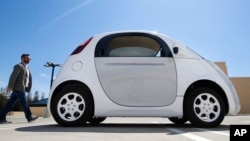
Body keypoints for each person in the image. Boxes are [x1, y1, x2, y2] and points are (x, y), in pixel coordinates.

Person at [0, 54, 38, 123]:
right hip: (19, 87)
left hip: (19, 88)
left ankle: (1, 117)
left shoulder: (26, 67)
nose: (29, 59)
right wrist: (10, 86)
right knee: (24, 102)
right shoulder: (19, 66)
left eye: (29, 59)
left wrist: (27, 87)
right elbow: (13, 76)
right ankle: (29, 117)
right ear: (22, 58)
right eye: (27, 58)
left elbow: (27, 79)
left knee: (10, 103)